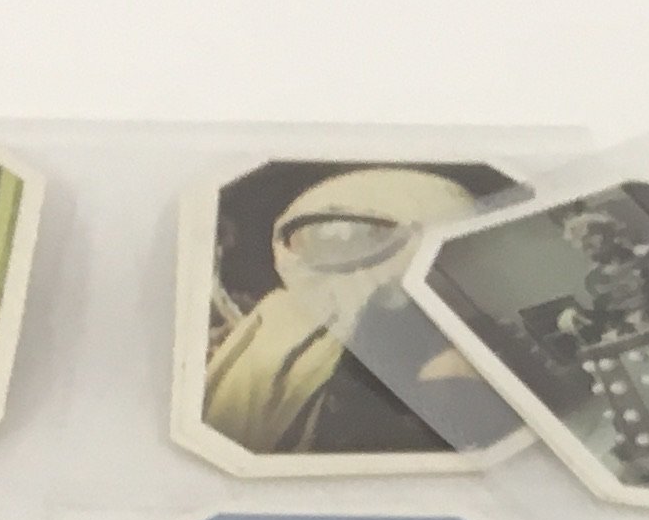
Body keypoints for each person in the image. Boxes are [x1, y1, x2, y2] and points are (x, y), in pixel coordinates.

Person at [198, 167, 511, 458]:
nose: (341, 245)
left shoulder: (473, 348)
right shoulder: (278, 324)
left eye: (362, 235)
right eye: (326, 237)